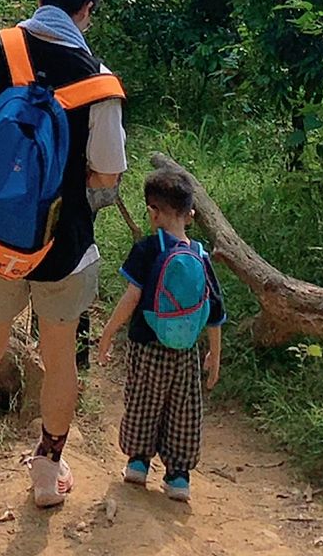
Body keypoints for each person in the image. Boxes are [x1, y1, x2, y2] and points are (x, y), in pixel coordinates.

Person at [0, 0, 126, 515]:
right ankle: (47, 471)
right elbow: (107, 172)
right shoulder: (100, 84)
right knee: (59, 359)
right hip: (66, 245)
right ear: (87, 9)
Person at [96, 171, 224, 504]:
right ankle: (179, 476)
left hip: (146, 344)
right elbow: (214, 311)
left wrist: (109, 333)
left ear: (154, 212)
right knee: (183, 408)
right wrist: (214, 355)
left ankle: (138, 462)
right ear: (191, 214)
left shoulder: (148, 249)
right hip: (185, 352)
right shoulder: (200, 255)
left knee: (143, 401)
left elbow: (131, 298)